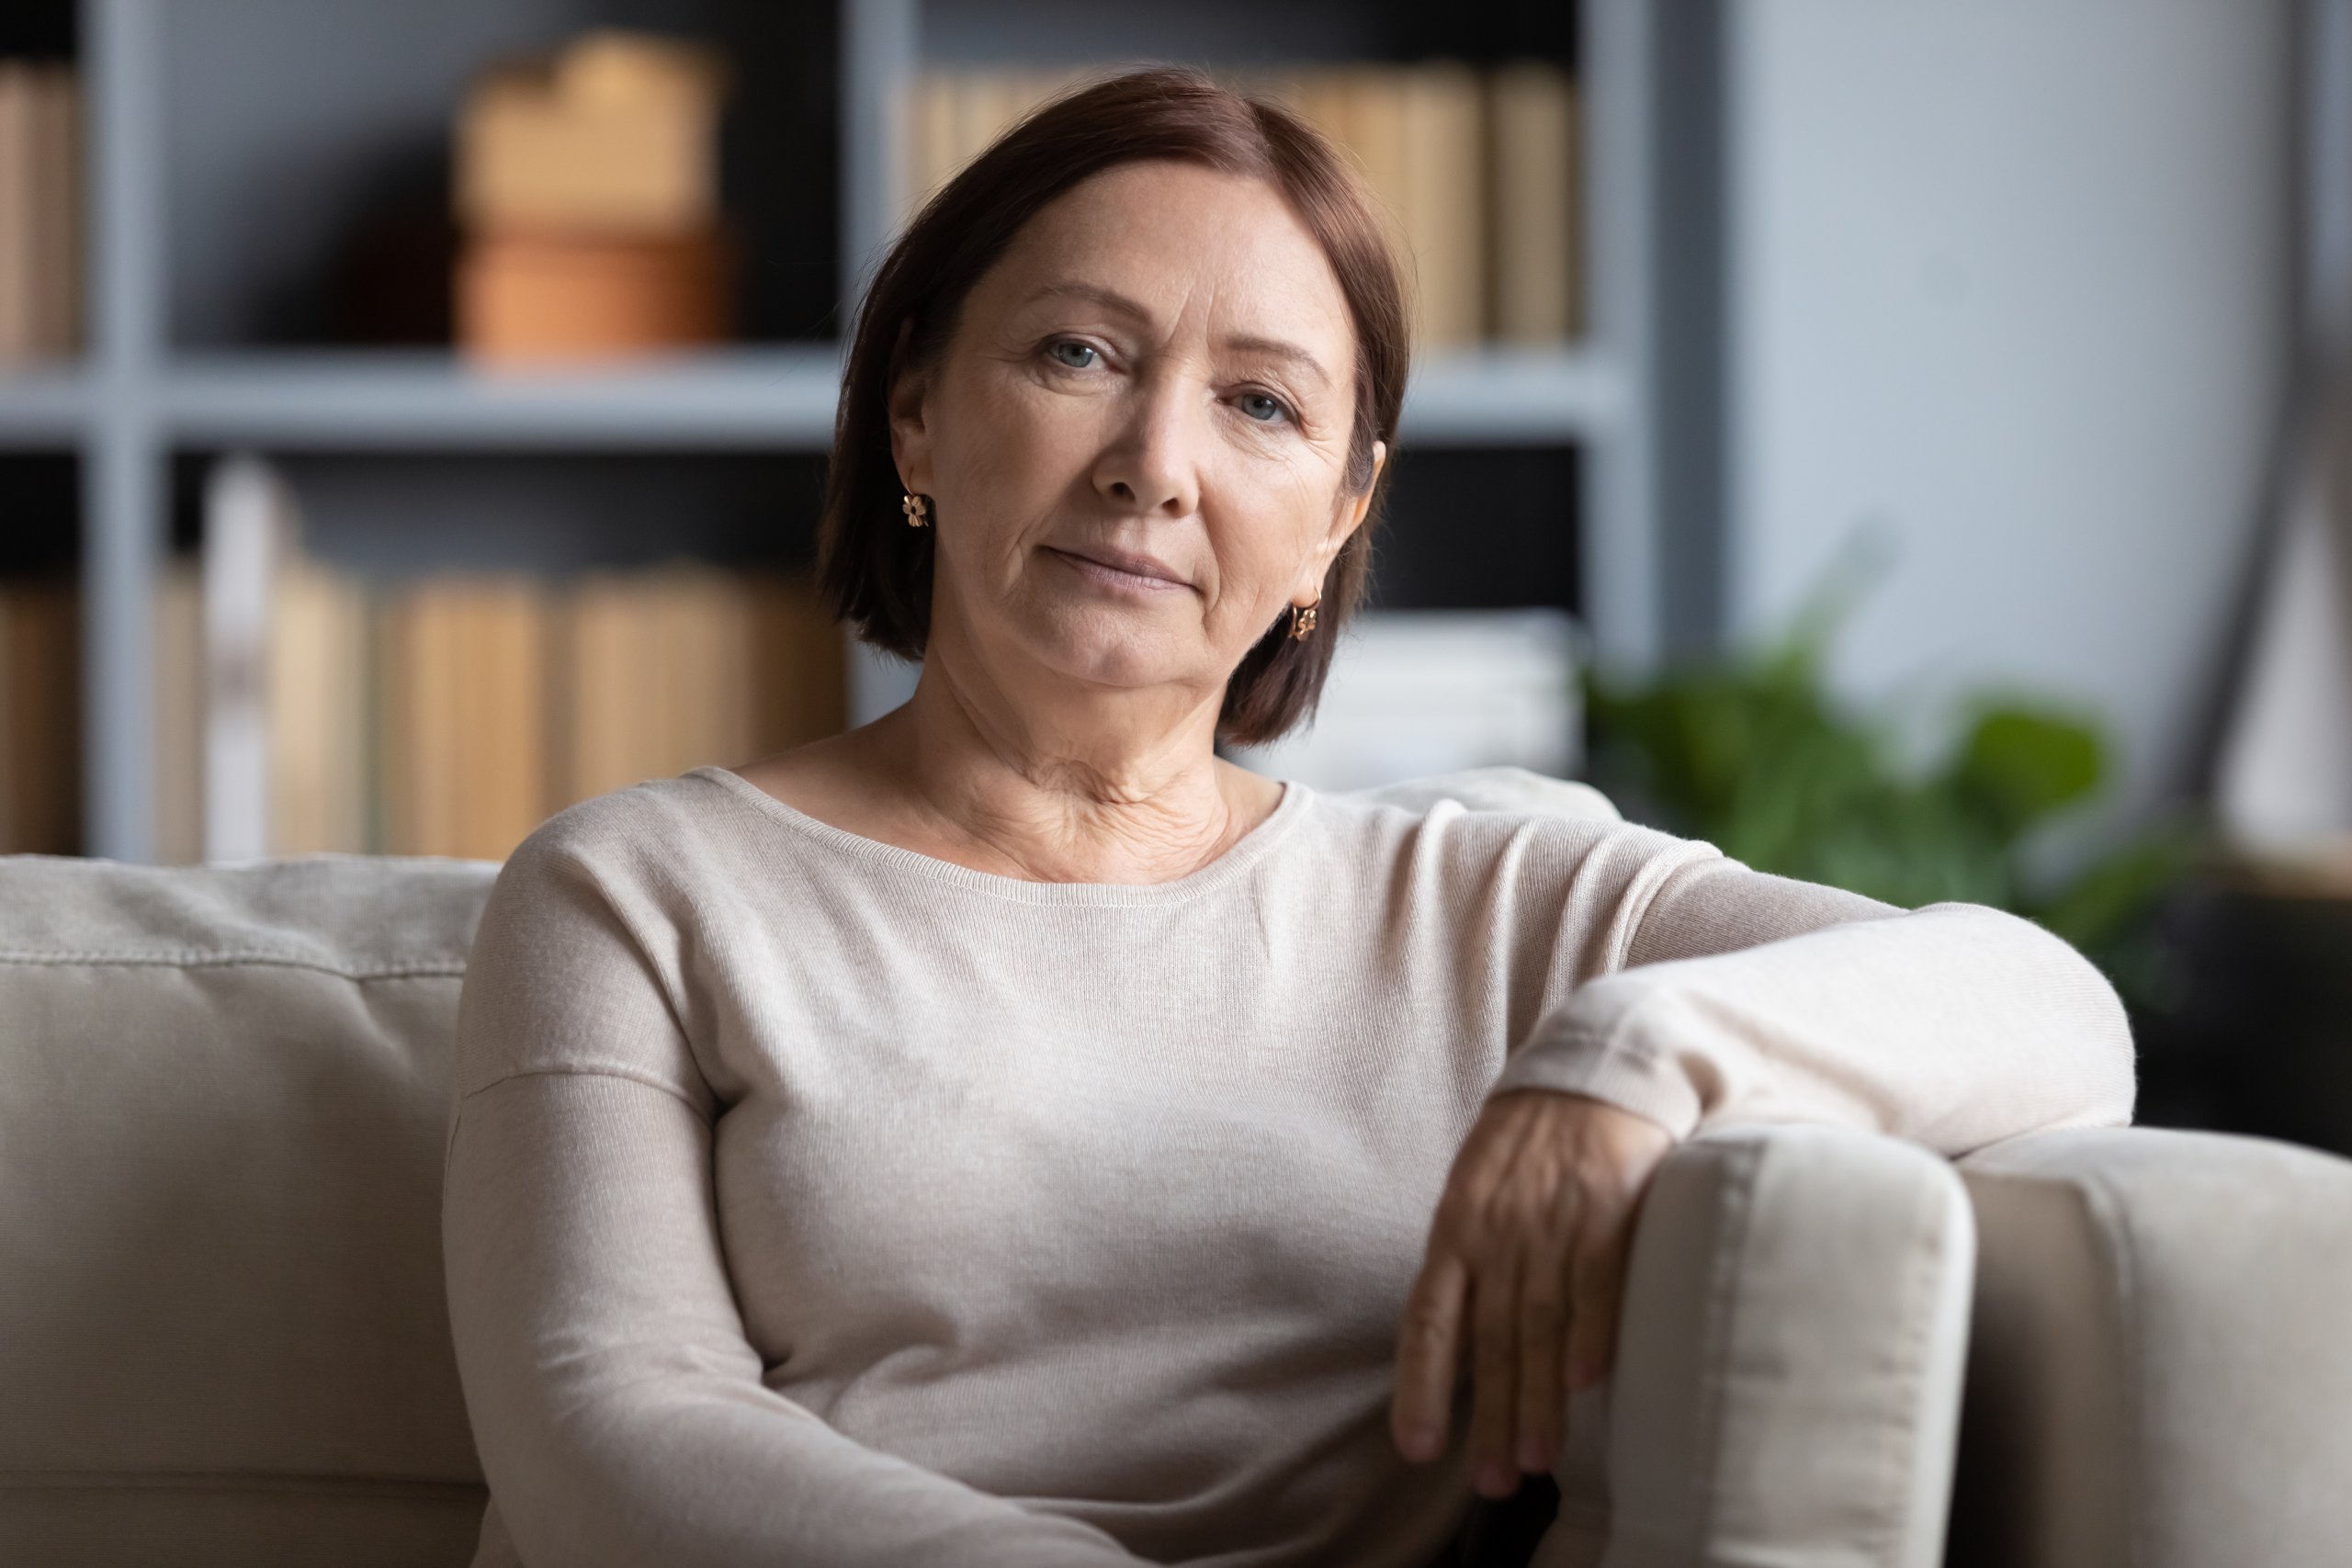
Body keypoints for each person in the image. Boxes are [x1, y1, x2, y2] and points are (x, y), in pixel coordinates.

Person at [440, 66, 2133, 1568]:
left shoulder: (1487, 903)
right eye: (1079, 352)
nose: (1155, 463)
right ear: (918, 414)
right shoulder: (636, 892)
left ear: (1338, 515)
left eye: (1261, 403)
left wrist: (1628, 1064)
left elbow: (2053, 1012)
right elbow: (613, 1432)